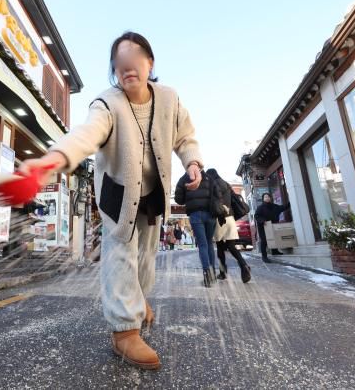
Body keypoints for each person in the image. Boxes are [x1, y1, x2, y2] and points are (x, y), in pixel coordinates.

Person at [17, 32, 203, 370]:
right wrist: (54, 159)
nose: (127, 72)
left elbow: (185, 136)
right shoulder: (106, 103)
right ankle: (123, 331)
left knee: (146, 256)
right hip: (119, 194)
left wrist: (192, 161)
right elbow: (86, 135)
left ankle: (139, 302)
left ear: (150, 64)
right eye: (120, 67)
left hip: (153, 194)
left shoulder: (169, 98)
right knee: (120, 257)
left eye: (134, 64)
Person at [207, 169, 251, 283]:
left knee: (220, 247)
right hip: (230, 218)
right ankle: (244, 265)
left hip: (219, 219)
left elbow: (214, 202)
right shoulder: (226, 184)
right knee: (231, 246)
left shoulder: (213, 185)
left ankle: (223, 272)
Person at [175, 169, 217, 287]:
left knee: (202, 244)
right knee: (209, 243)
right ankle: (213, 272)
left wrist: (187, 192)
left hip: (195, 215)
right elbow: (218, 195)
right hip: (211, 214)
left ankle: (207, 275)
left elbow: (179, 199)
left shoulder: (184, 179)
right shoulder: (209, 178)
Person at [254, 192, 291, 263]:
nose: (267, 198)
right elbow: (257, 216)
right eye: (265, 197)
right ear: (263, 199)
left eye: (268, 197)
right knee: (264, 241)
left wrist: (290, 202)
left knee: (274, 238)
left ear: (270, 198)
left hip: (273, 225)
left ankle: (275, 251)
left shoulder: (275, 206)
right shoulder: (260, 208)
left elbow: (283, 207)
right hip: (263, 226)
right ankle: (264, 256)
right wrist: (263, 220)